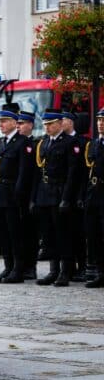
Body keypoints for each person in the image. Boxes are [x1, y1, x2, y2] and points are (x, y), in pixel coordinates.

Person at [32, 109, 81, 287]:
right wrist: (35, 198)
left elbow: (72, 173)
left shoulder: (70, 142)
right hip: (45, 193)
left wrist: (66, 198)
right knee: (49, 234)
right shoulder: (44, 143)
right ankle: (53, 270)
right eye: (45, 125)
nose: (48, 128)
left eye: (51, 124)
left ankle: (65, 271)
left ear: (60, 124)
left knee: (63, 234)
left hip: (60, 192)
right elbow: (39, 172)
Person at [0, 105, 33, 283]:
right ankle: (8, 266)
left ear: (14, 122)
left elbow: (23, 172)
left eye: (4, 121)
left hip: (12, 194)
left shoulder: (22, 143)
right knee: (3, 234)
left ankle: (18, 269)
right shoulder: (0, 143)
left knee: (15, 234)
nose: (1, 124)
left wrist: (19, 195)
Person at [61, 110, 88, 281]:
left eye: (62, 120)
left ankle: (83, 266)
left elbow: (82, 173)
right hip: (63, 191)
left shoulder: (81, 142)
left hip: (77, 192)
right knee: (66, 233)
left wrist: (80, 196)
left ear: (70, 122)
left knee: (79, 233)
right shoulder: (62, 142)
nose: (60, 123)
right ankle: (68, 268)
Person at [17, 110, 40, 280]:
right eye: (17, 123)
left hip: (30, 194)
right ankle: (21, 264)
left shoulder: (35, 144)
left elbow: (34, 174)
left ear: (30, 125)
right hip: (17, 195)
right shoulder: (17, 143)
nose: (19, 126)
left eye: (22, 123)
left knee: (30, 232)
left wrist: (33, 197)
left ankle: (30, 266)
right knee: (19, 232)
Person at [83, 108, 104, 288]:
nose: (100, 123)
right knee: (94, 233)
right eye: (98, 120)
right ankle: (99, 271)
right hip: (94, 192)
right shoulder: (95, 143)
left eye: (102, 120)